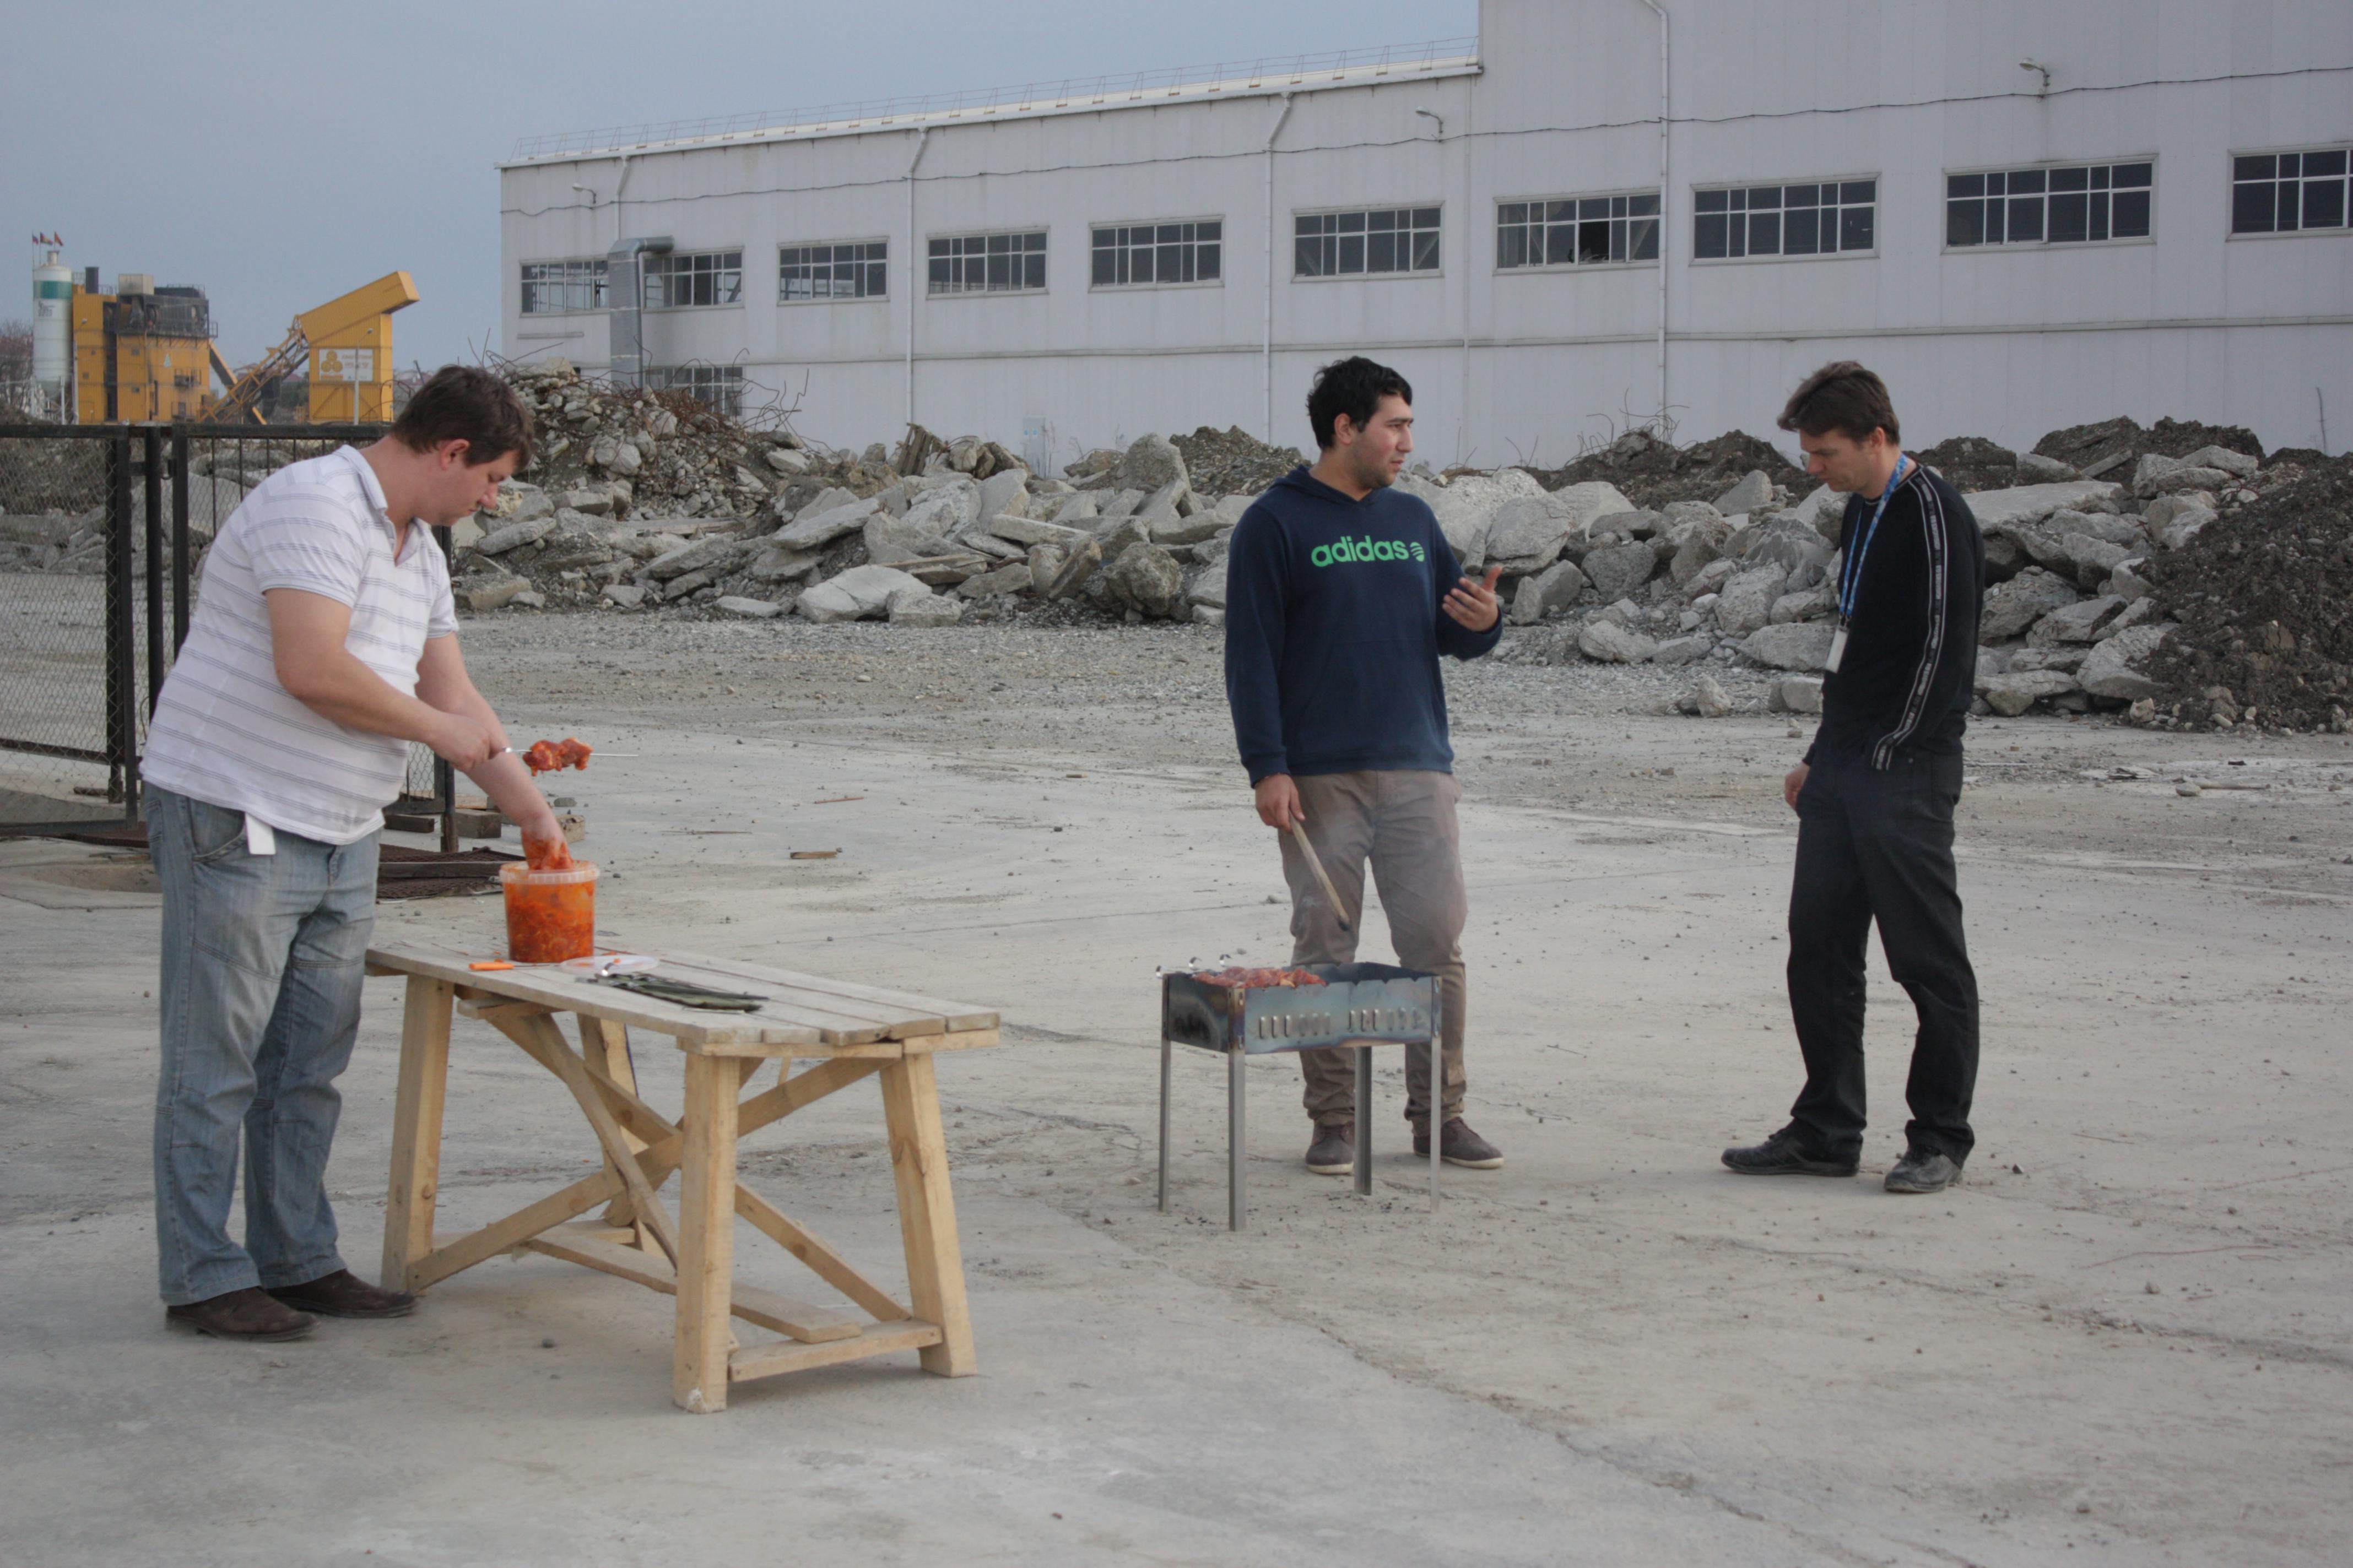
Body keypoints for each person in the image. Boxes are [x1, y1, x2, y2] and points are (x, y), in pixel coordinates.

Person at [142, 365, 566, 1341]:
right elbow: (313, 668)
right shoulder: (315, 504)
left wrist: (533, 815)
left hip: (344, 826)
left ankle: (296, 1258)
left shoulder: (419, 551)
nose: (492, 499)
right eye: (493, 479)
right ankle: (203, 1274)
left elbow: (455, 696)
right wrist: (437, 733)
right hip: (238, 812)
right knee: (217, 1059)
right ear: (451, 452)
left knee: (308, 1061)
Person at [1223, 355, 1508, 1176]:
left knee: (1436, 944)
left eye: (1409, 426)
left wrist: (1485, 621)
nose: (1408, 443)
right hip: (1319, 776)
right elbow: (1250, 657)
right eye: (1396, 426)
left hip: (1419, 768)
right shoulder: (1274, 524)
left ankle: (1440, 1117)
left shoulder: (1413, 519)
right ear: (1346, 428)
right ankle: (1335, 1121)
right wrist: (1267, 767)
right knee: (1325, 947)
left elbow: (1454, 632)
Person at [1722, 361, 1986, 1195]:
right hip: (1844, 767)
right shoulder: (1860, 511)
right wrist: (1821, 752)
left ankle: (1939, 1138)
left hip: (1906, 770)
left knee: (1927, 963)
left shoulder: (1935, 516)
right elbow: (1854, 648)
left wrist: (1888, 751)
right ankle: (1826, 1130)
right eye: (1806, 454)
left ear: (1878, 438)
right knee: (1820, 951)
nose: (1814, 469)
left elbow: (1943, 656)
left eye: (1826, 453)